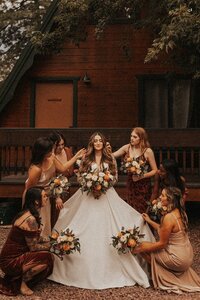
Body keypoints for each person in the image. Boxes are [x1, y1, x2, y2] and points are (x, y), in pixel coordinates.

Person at [48, 132, 155, 290]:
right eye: (95, 141)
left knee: (123, 222)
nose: (98, 143)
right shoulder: (86, 158)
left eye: (100, 141)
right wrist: (89, 183)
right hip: (88, 195)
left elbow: (115, 177)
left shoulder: (110, 158)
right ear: (92, 143)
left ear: (104, 143)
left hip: (106, 195)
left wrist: (104, 183)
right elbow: (80, 177)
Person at [133, 187, 200, 294]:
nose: (160, 197)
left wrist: (141, 247)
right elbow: (163, 229)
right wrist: (149, 221)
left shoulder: (169, 217)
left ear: (170, 200)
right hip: (187, 254)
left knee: (143, 249)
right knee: (146, 247)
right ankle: (169, 274)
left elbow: (162, 244)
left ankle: (166, 278)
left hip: (178, 258)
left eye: (163, 195)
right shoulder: (180, 212)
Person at [23, 136, 85, 238]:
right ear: (42, 152)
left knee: (46, 223)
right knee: (39, 223)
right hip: (36, 198)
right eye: (50, 149)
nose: (53, 151)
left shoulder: (51, 157)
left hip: (46, 195)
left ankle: (45, 244)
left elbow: (63, 168)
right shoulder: (36, 169)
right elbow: (30, 190)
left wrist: (76, 156)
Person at [0, 187, 54, 296]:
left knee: (46, 255)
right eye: (44, 196)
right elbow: (33, 247)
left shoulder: (28, 213)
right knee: (48, 257)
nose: (46, 198)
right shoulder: (30, 219)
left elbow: (35, 238)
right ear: (36, 201)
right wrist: (52, 247)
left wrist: (53, 239)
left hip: (13, 256)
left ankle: (18, 278)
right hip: (11, 261)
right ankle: (20, 282)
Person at [112, 127, 157, 213]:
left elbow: (155, 170)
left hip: (143, 183)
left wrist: (142, 176)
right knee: (131, 205)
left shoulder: (147, 151)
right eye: (131, 136)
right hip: (131, 182)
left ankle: (142, 225)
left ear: (141, 138)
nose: (132, 138)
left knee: (142, 206)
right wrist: (106, 150)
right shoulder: (127, 147)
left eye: (135, 137)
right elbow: (112, 156)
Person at [49, 131, 74, 227]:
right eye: (58, 145)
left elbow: (70, 170)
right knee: (56, 211)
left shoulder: (67, 151)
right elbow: (51, 176)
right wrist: (57, 196)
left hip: (66, 185)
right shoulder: (51, 156)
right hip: (53, 188)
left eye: (63, 144)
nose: (61, 147)